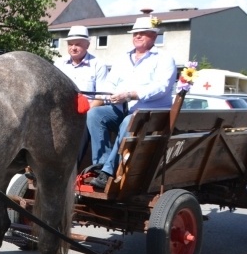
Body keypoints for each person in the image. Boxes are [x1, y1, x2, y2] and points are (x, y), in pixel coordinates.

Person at [87, 16, 177, 190]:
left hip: (150, 113)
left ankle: (108, 172)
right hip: (123, 109)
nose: (138, 36)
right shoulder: (123, 58)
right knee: (95, 114)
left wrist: (131, 94)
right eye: (135, 33)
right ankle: (101, 165)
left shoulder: (164, 58)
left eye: (143, 33)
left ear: (154, 36)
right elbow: (110, 83)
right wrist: (108, 96)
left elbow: (162, 87)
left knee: (130, 121)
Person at [54, 25, 108, 105]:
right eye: (70, 44)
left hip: (87, 110)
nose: (73, 48)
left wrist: (88, 112)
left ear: (87, 45)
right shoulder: (59, 64)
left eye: (77, 44)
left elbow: (101, 97)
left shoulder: (98, 65)